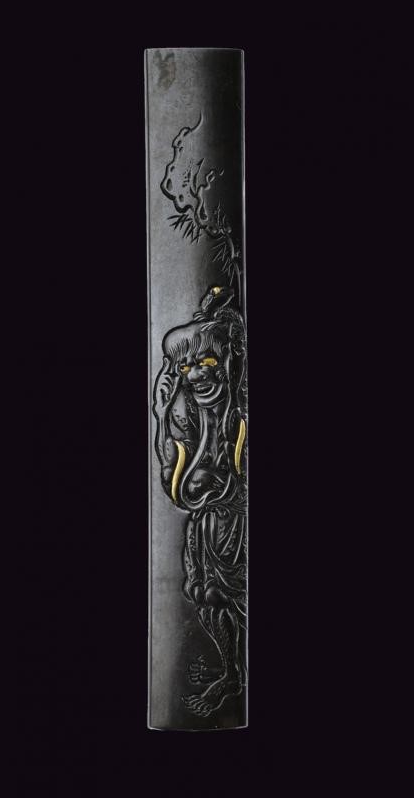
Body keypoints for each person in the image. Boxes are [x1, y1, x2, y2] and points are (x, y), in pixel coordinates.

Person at [153, 299, 247, 717]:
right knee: (207, 596)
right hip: (206, 521)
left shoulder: (237, 406)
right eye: (185, 367)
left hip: (234, 520)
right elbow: (173, 465)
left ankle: (235, 674)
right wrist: (160, 414)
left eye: (205, 361)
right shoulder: (188, 410)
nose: (195, 374)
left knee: (234, 593)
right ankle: (230, 672)